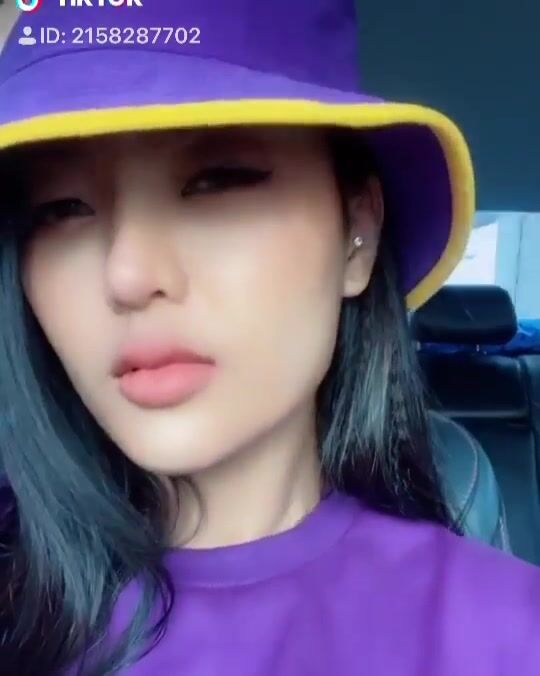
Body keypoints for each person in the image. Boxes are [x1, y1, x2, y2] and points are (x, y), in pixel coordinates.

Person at [0, 1, 538, 675]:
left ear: (357, 230)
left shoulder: (511, 636)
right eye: (60, 209)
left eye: (217, 181)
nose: (129, 276)